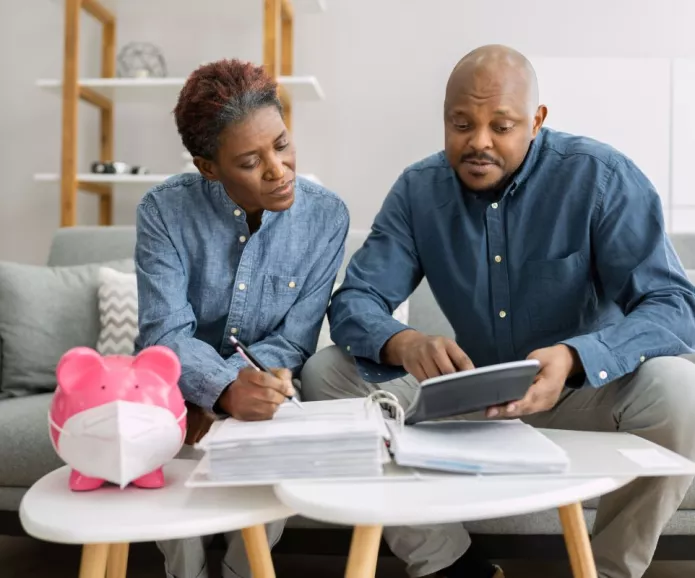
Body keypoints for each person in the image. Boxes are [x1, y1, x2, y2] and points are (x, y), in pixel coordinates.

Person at [301, 44, 695, 578]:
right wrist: (405, 341)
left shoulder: (601, 177)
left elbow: (673, 305)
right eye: (460, 123)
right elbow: (355, 302)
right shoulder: (419, 191)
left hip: (583, 394)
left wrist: (578, 357)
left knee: (682, 391)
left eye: (501, 125)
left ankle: (606, 571)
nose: (478, 142)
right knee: (327, 374)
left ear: (537, 121)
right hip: (468, 393)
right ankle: (450, 564)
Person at [134, 58, 349, 578]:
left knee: (274, 458)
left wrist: (248, 392)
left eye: (281, 144)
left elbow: (295, 340)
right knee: (165, 451)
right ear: (209, 168)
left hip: (266, 389)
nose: (279, 170)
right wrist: (220, 389)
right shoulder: (163, 211)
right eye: (251, 161)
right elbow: (164, 335)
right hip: (178, 389)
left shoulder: (327, 218)